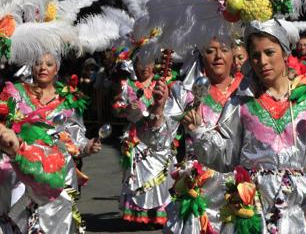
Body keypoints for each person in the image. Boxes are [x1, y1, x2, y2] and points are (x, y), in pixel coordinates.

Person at [182, 19, 306, 234]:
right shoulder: (241, 101)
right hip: (253, 206)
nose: (262, 61)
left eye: (269, 52)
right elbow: (226, 157)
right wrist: (199, 132)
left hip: (300, 207)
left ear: (285, 53)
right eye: (255, 55)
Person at [0, 52, 101, 233]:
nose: (43, 68)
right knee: (22, 220)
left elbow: (76, 136)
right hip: (23, 167)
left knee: (56, 222)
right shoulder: (16, 93)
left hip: (58, 170)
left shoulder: (69, 98)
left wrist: (88, 146)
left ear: (57, 69)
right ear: (32, 67)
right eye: (38, 63)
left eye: (49, 64)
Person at [164, 37, 243, 233]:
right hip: (199, 187)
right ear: (201, 55)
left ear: (233, 54)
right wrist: (158, 109)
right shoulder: (185, 93)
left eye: (223, 50)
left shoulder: (247, 91)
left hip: (239, 186)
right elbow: (162, 137)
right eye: (210, 51)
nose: (217, 56)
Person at [113, 54, 176, 226]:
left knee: (160, 175)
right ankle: (138, 213)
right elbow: (116, 108)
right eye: (141, 62)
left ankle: (159, 213)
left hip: (158, 136)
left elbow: (171, 108)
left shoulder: (162, 84)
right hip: (136, 138)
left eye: (149, 61)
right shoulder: (128, 86)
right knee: (138, 176)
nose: (145, 67)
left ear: (155, 63)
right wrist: (126, 109)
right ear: (134, 64)